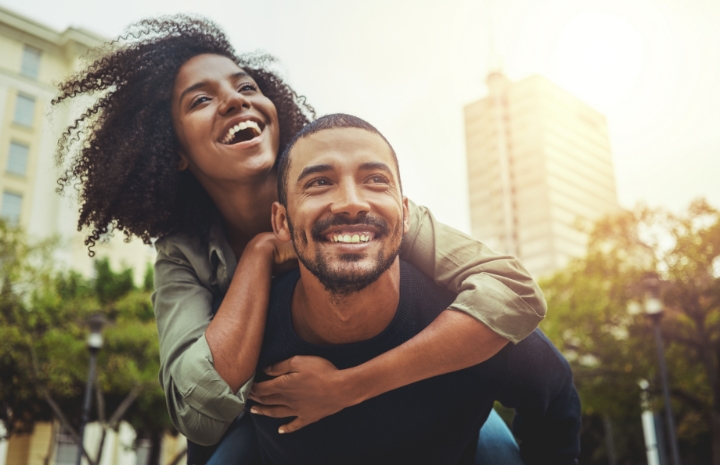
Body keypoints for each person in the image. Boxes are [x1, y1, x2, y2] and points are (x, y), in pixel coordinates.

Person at [52, 16, 548, 464]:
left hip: (419, 400)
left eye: (246, 85)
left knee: (500, 451)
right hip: (280, 426)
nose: (234, 100)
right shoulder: (182, 255)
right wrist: (260, 253)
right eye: (201, 100)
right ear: (174, 151)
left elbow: (512, 294)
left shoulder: (355, 202)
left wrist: (349, 387)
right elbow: (197, 411)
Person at [248, 113, 581, 465]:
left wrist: (347, 387)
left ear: (406, 215)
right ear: (282, 221)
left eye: (375, 180)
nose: (351, 202)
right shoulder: (253, 329)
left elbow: (554, 392)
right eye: (319, 182)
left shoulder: (473, 322)